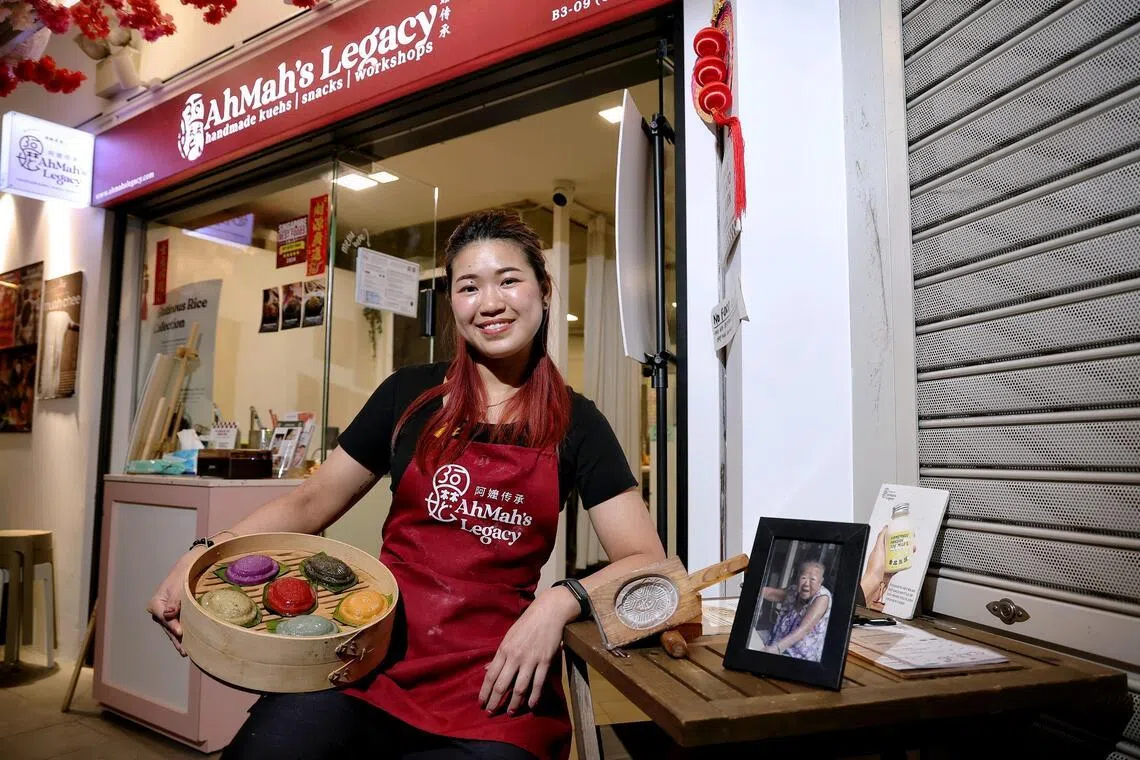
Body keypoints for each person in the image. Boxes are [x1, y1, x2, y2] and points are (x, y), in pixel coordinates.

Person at [147, 210, 665, 760]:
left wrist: (559, 603)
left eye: (508, 280)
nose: (490, 303)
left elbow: (645, 559)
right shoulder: (408, 395)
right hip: (368, 657)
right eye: (469, 287)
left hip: (497, 676)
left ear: (542, 290)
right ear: (453, 303)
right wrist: (205, 554)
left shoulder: (577, 423)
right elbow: (311, 500)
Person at [754, 559, 832, 661]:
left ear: (820, 582)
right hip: (775, 640)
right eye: (803, 578)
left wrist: (777, 648)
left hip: (798, 656)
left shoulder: (822, 597)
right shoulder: (794, 590)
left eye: (812, 579)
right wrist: (752, 587)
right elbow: (773, 593)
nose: (806, 583)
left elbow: (805, 628)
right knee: (750, 636)